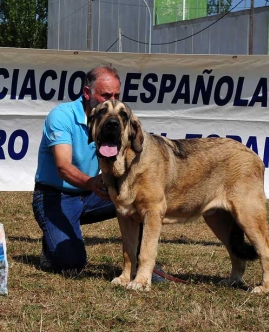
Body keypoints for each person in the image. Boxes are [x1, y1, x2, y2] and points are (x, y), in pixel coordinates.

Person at [32, 64, 168, 281]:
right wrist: (91, 184)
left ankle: (144, 265)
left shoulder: (119, 120)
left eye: (116, 95)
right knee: (71, 263)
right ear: (87, 93)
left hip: (93, 192)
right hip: (56, 195)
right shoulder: (62, 117)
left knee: (141, 201)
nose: (112, 100)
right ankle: (51, 247)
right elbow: (63, 167)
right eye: (105, 95)